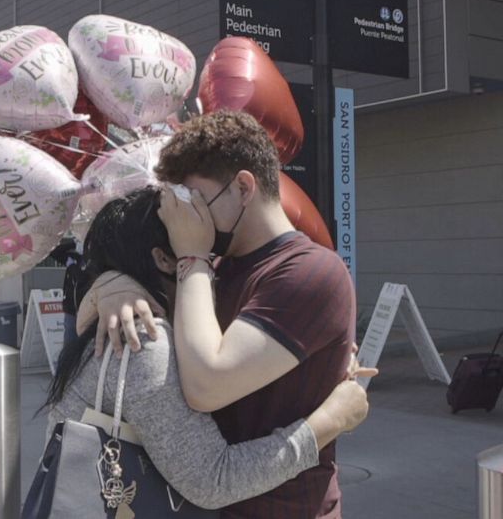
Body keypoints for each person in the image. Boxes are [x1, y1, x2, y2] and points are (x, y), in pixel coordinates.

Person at [85, 111, 358, 518]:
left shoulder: (311, 272)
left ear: (243, 187)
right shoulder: (213, 270)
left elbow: (206, 385)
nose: (184, 219)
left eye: (193, 201)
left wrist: (192, 256)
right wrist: (109, 286)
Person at [44, 188, 373, 510]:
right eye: (198, 247)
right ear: (163, 258)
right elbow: (213, 481)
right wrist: (332, 419)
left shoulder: (117, 321)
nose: (212, 266)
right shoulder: (141, 341)